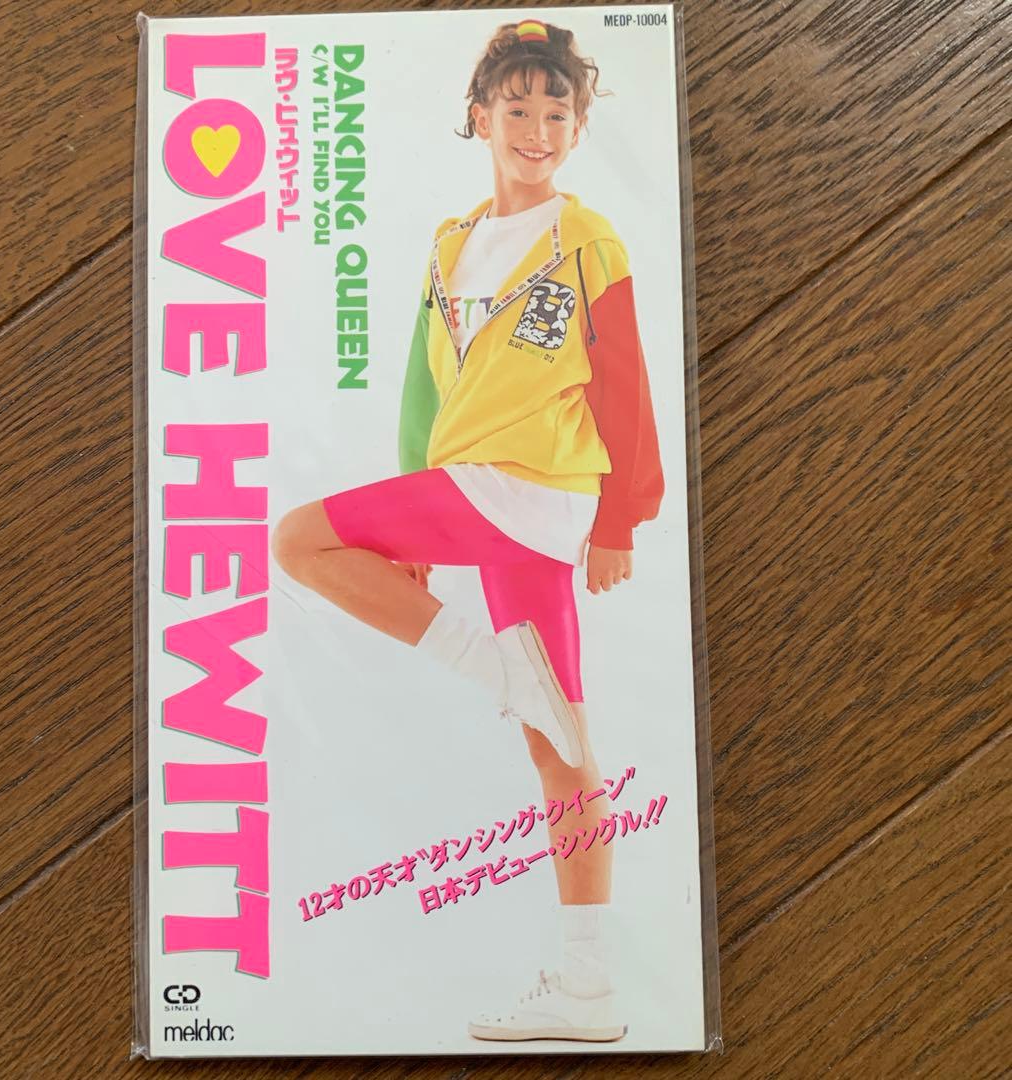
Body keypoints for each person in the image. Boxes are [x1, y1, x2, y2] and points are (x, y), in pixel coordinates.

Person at [272, 16, 663, 1042]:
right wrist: (411, 516)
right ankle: (589, 988)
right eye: (517, 108)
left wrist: (621, 518)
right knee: (562, 748)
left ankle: (497, 671)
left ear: (579, 128)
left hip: (534, 487)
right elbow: (425, 384)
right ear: (480, 117)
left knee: (297, 538)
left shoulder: (587, 240)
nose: (536, 129)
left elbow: (624, 383)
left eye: (556, 112)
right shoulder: (451, 243)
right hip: (469, 488)